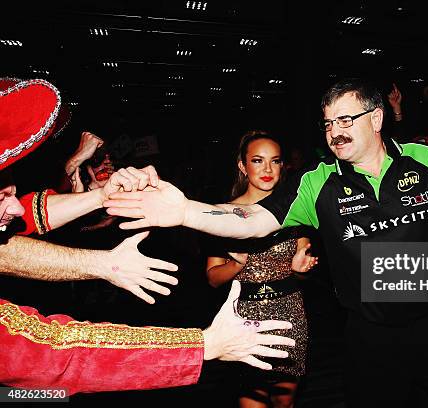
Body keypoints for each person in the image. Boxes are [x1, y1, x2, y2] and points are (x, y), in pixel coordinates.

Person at [105, 78, 428, 407]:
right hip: (370, 335)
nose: (334, 132)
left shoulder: (424, 159)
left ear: (376, 118)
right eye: (327, 123)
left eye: (345, 120)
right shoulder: (317, 182)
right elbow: (253, 220)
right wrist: (185, 212)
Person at [0, 77, 295, 394]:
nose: (17, 208)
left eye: (275, 161)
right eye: (2, 196)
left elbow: (24, 221)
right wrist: (202, 345)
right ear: (241, 165)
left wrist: (102, 201)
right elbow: (56, 356)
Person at [206, 131, 316, 408]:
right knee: (251, 401)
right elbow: (212, 279)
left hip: (290, 315)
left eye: (275, 161)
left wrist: (299, 269)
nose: (267, 169)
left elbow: (303, 273)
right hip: (244, 318)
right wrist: (237, 264)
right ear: (243, 166)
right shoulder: (223, 215)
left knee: (285, 400)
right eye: (258, 160)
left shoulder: (295, 212)